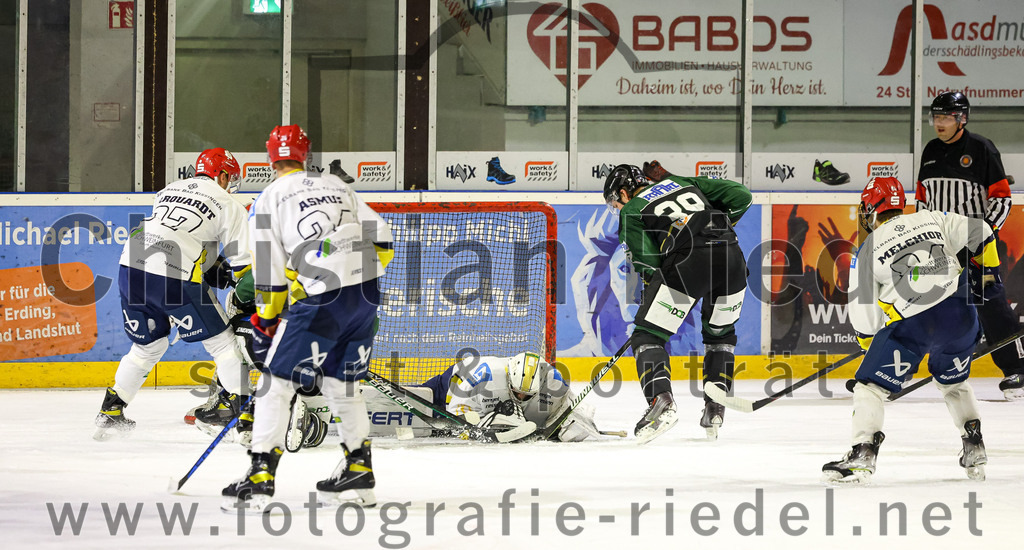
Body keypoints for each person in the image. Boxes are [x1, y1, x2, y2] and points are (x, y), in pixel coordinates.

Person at [221, 125, 394, 511]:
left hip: (323, 300)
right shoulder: (335, 184)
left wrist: (269, 315)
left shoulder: (268, 197)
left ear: (270, 157)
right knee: (343, 384)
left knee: (275, 384)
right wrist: (347, 272)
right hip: (365, 294)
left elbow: (268, 272)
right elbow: (384, 238)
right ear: (306, 153)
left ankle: (260, 477)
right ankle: (358, 473)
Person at [823, 176, 996, 483]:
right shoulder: (932, 218)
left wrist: (869, 347)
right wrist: (989, 274)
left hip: (915, 325)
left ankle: (863, 451)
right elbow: (981, 231)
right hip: (961, 315)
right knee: (954, 383)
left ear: (870, 210)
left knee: (869, 388)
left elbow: (864, 318)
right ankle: (974, 446)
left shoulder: (867, 250)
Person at [94, 148, 251, 441]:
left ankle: (112, 410)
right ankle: (242, 416)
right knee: (222, 344)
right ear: (223, 174)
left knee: (147, 347)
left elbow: (178, 234)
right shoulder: (229, 203)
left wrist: (212, 267)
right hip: (173, 273)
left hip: (131, 266)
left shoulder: (169, 189)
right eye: (230, 177)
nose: (231, 184)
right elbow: (245, 265)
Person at [605, 162, 752, 443]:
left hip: (689, 263)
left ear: (624, 192)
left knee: (648, 335)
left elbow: (647, 263)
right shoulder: (685, 182)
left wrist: (653, 291)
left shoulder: (634, 209)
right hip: (732, 258)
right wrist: (714, 226)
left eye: (615, 202)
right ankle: (715, 407)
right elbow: (742, 195)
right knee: (720, 334)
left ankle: (661, 403)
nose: (618, 208)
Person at [916, 91, 1024, 400]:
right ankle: (894, 367)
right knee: (921, 303)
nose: (938, 123)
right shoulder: (931, 150)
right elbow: (923, 198)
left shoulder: (981, 149)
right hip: (939, 247)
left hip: (974, 246)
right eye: (935, 117)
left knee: (989, 304)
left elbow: (1002, 198)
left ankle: (1018, 369)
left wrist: (982, 234)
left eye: (945, 117)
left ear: (961, 118)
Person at [419, 351, 600, 442]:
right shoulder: (485, 376)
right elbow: (455, 409)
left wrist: (567, 425)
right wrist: (473, 428)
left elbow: (573, 410)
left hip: (481, 403)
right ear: (508, 378)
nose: (520, 396)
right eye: (516, 391)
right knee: (414, 399)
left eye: (527, 395)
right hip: (451, 384)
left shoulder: (555, 383)